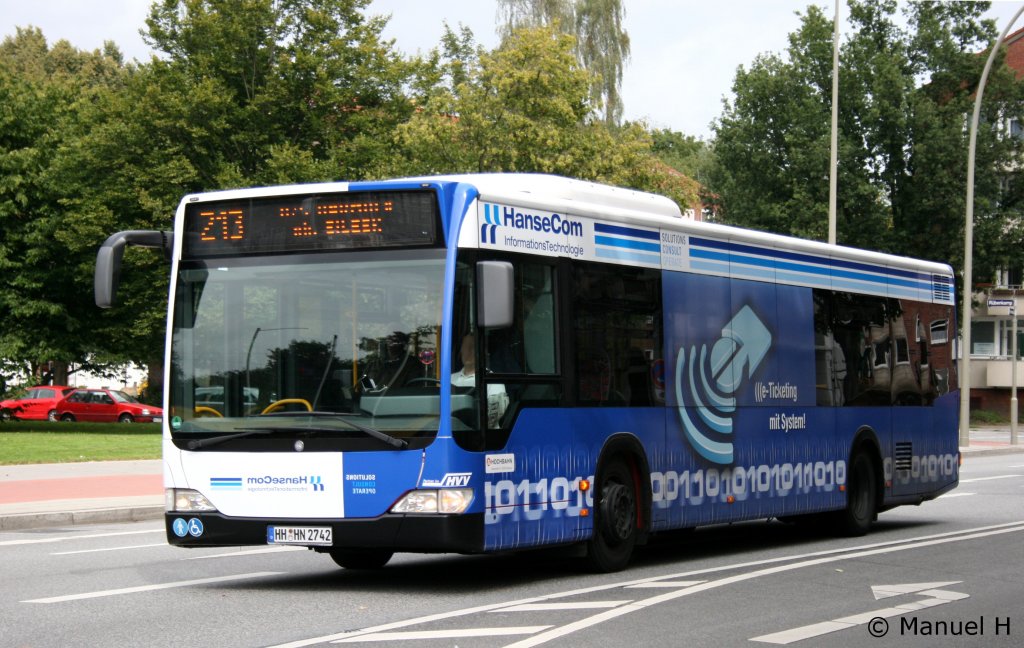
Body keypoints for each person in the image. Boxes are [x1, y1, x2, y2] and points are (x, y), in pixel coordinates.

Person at [452, 333, 508, 428]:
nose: (468, 351)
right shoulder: (449, 379)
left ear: (482, 352)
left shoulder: (493, 381)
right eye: (466, 347)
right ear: (461, 350)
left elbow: (492, 418)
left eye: (473, 347)